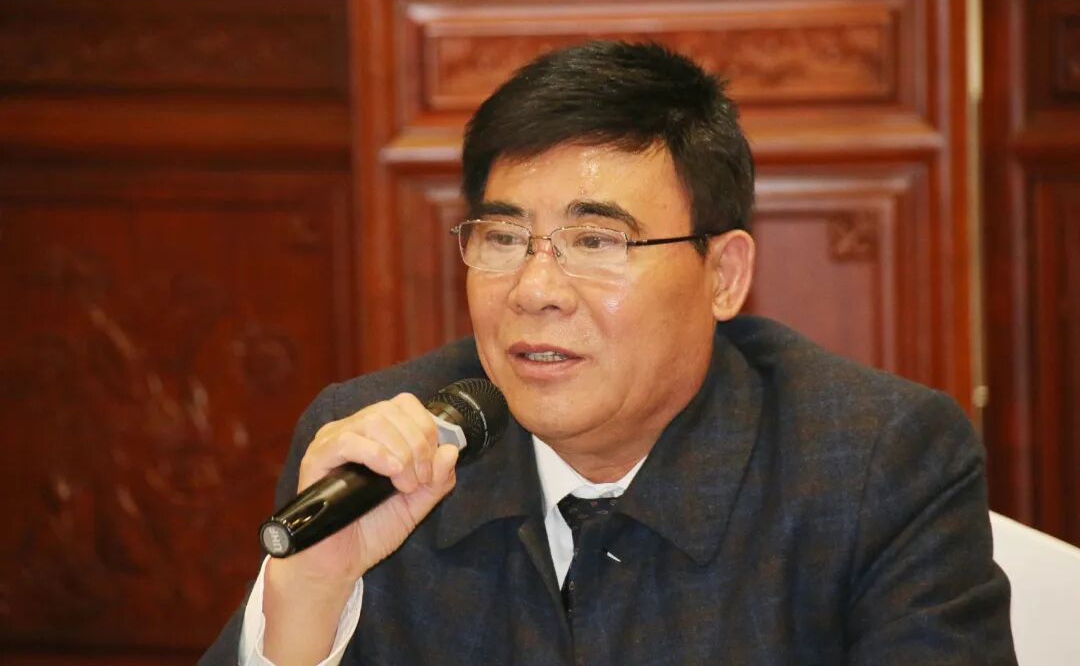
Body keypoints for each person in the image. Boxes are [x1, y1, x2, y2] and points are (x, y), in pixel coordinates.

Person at [201, 41, 1015, 665]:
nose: (535, 290)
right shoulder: (379, 451)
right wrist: (309, 598)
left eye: (596, 241)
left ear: (723, 275)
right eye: (503, 238)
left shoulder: (876, 464)